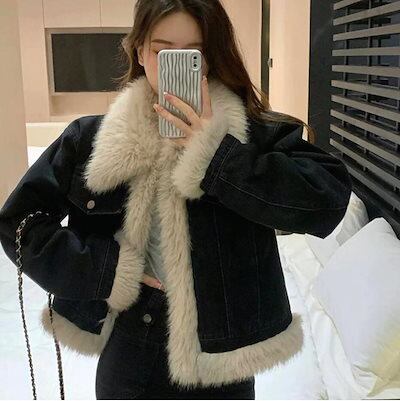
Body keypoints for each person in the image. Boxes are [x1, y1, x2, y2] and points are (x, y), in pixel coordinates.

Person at [0, 0, 353, 399]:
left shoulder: (250, 135)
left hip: (221, 359)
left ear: (211, 56)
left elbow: (328, 200)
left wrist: (217, 155)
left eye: (194, 53)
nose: (178, 63)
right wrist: (107, 269)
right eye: (163, 50)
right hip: (131, 342)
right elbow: (18, 223)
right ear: (140, 51)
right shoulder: (92, 140)